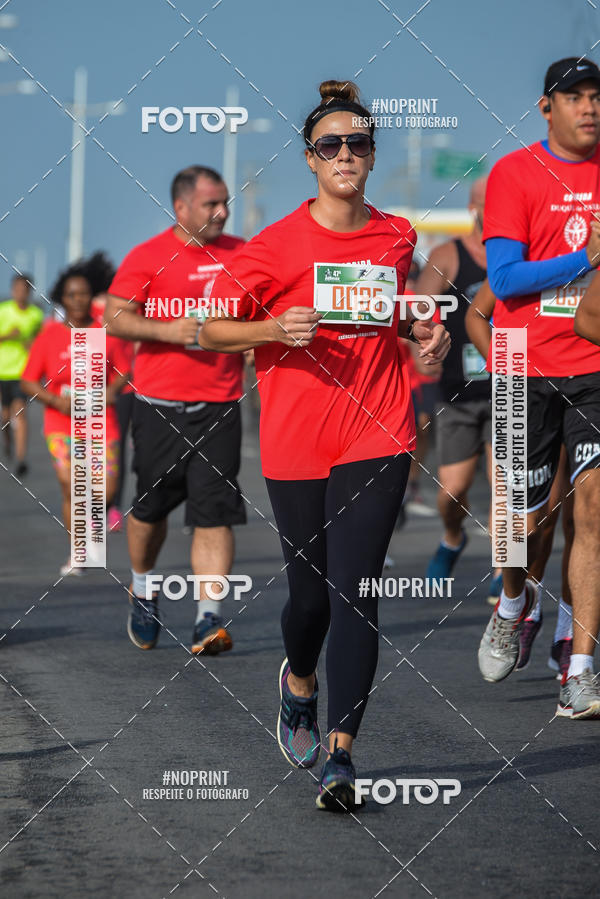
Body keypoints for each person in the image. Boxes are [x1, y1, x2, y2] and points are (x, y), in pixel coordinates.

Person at [199, 80, 450, 812]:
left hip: (378, 430)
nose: (346, 153)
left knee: (356, 593)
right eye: (331, 144)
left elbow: (382, 317)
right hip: (296, 438)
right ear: (310, 159)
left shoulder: (397, 235)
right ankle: (298, 682)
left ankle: (341, 754)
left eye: (359, 143)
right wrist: (273, 331)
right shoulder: (274, 244)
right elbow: (212, 329)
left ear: (372, 155)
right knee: (309, 603)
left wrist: (420, 333)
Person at [477, 57, 600, 719]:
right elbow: (504, 279)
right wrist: (587, 258)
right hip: (522, 360)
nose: (590, 108)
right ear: (547, 107)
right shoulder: (514, 173)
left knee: (595, 512)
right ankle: (513, 601)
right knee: (521, 522)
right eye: (575, 97)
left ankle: (580, 668)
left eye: (597, 97)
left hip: (596, 362)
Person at [104, 165, 246, 655]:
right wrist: (171, 331)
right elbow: (114, 315)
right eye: (212, 204)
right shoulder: (148, 256)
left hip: (221, 407)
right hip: (158, 406)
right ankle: (143, 588)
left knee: (214, 514)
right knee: (149, 509)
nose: (223, 212)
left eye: (225, 202)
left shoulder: (244, 255)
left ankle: (209, 618)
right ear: (181, 207)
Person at [466, 280, 574, 677]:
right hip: (521, 376)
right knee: (528, 519)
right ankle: (516, 604)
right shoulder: (521, 244)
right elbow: (476, 316)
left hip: (585, 377)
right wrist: (509, 376)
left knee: (581, 513)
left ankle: (570, 638)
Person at [21, 257, 127, 575]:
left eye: (83, 294)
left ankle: (93, 517)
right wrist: (54, 399)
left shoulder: (104, 333)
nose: (78, 300)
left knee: (105, 490)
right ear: (61, 299)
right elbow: (28, 379)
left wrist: (111, 391)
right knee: (71, 483)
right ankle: (78, 550)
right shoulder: (50, 335)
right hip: (61, 422)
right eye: (71, 295)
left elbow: (123, 370)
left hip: (100, 422)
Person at [416, 179, 490, 582]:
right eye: (488, 206)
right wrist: (422, 351)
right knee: (452, 492)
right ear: (473, 208)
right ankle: (452, 536)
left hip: (509, 389)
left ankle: (506, 576)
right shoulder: (448, 254)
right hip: (457, 392)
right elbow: (420, 311)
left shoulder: (517, 256)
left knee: (508, 491)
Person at [0, 274, 43, 476]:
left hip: (23, 372)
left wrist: (33, 345)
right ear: (12, 290)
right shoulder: (3, 311)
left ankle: (20, 459)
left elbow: (40, 340)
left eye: (24, 290)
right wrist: (9, 335)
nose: (20, 293)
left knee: (20, 413)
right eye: (17, 289)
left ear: (29, 292)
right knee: (5, 416)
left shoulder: (36, 315)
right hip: (2, 370)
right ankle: (7, 440)